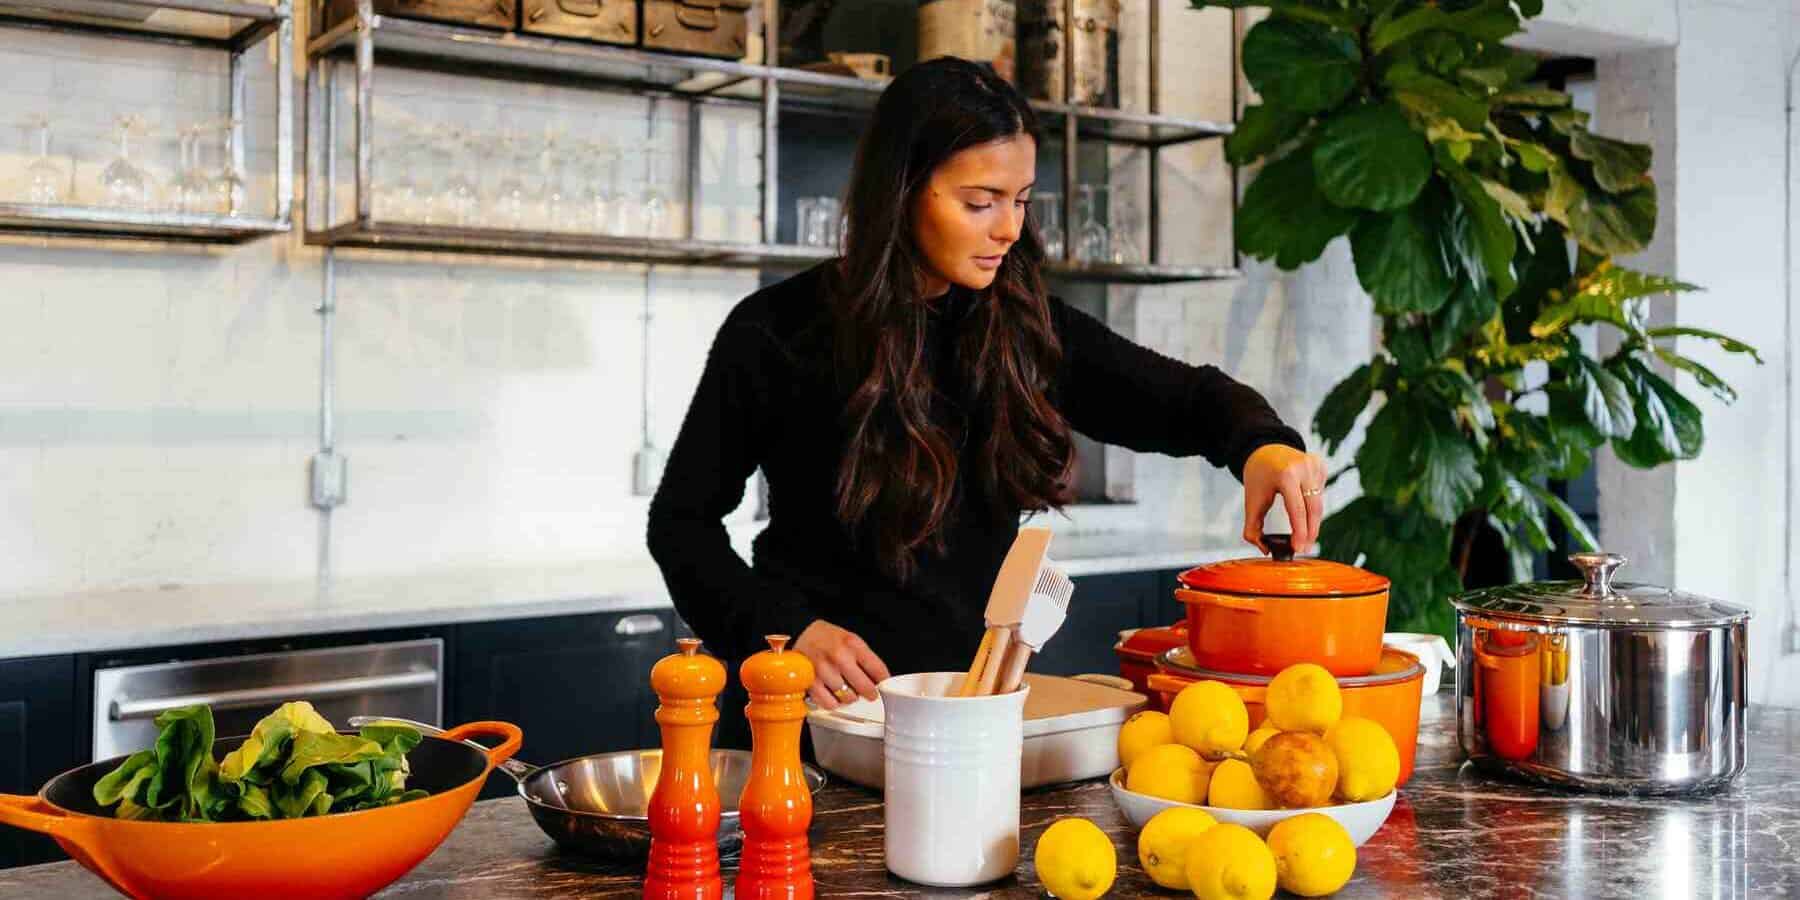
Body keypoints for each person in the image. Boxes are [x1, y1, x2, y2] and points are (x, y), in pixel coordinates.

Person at [647, 57, 1325, 748]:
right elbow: (680, 524)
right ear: (903, 190)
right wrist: (785, 634)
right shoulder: (775, 332)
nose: (1008, 229)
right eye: (980, 202)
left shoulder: (1024, 326)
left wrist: (1260, 443)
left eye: (1021, 199)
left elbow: (1184, 400)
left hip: (965, 728)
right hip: (804, 731)